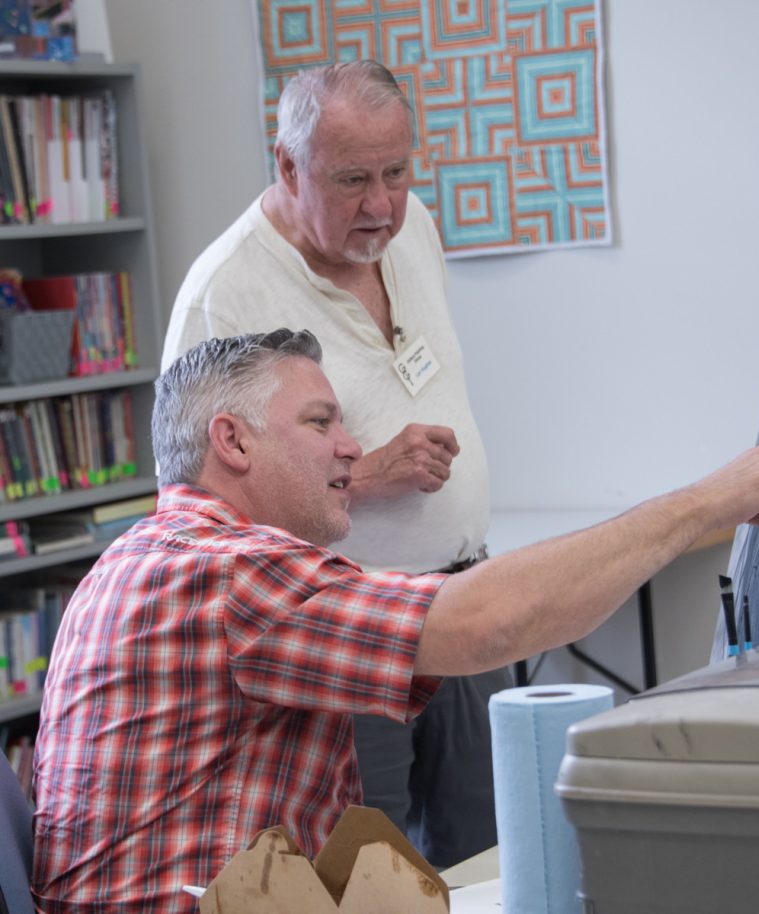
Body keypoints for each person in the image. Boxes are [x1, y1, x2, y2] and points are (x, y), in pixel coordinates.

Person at [32, 330, 759, 914]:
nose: (351, 448)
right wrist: (714, 496)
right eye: (320, 423)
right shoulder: (226, 571)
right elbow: (490, 623)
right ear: (232, 440)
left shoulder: (159, 552)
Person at [159, 59, 506, 867]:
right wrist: (364, 475)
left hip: (460, 597)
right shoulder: (224, 294)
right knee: (370, 874)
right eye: (352, 179)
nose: (381, 204)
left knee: (490, 860)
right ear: (287, 165)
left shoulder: (408, 224)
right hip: (342, 634)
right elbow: (190, 518)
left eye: (397, 171)